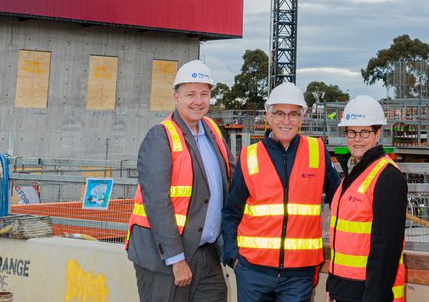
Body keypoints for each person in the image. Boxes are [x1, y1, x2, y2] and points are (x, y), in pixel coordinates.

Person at [126, 59, 235, 302]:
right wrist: (176, 260)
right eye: (191, 94)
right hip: (165, 257)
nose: (198, 101)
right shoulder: (160, 135)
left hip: (206, 253)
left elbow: (234, 178)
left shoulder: (213, 131)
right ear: (176, 97)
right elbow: (156, 202)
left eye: (204, 94)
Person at [222, 81, 341, 302]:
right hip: (252, 272)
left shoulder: (317, 152)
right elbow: (231, 212)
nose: (286, 121)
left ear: (302, 118)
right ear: (268, 116)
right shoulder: (249, 157)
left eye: (293, 114)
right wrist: (234, 258)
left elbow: (341, 202)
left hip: (299, 275)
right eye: (279, 113)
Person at [326, 95, 407, 302]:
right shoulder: (353, 173)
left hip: (368, 293)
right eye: (351, 132)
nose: (357, 139)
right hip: (344, 289)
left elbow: (386, 247)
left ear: (378, 133)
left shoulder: (388, 176)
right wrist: (332, 288)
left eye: (364, 132)